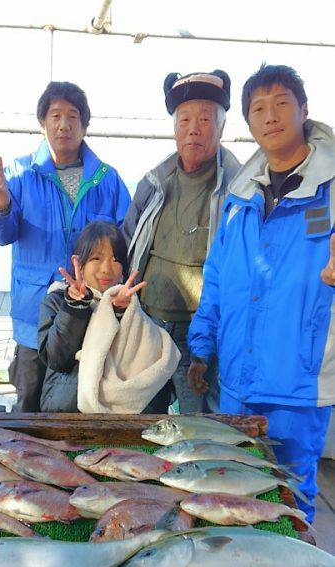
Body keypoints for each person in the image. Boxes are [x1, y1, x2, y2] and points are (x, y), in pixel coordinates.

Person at [188, 64, 335, 521]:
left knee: (291, 494)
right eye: (258, 109)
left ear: (304, 110)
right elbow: (216, 275)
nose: (270, 116)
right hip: (235, 377)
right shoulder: (238, 197)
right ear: (249, 124)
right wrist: (201, 346)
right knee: (234, 488)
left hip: (299, 381)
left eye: (281, 104)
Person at [0, 81, 130, 411]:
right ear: (42, 122)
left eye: (73, 116)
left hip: (90, 315)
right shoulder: (18, 174)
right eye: (55, 115)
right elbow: (1, 233)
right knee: (28, 402)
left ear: (85, 125)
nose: (63, 124)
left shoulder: (109, 179)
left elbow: (125, 243)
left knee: (79, 402)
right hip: (34, 318)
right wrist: (0, 207)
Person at [123, 69, 240, 413]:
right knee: (143, 418)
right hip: (149, 326)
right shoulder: (153, 182)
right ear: (174, 128)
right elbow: (128, 239)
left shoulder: (240, 188)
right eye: (185, 119)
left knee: (197, 422)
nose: (194, 128)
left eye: (205, 119)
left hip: (202, 337)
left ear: (221, 128)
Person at [38, 221, 180, 413]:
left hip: (123, 413)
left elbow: (148, 353)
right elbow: (57, 359)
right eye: (96, 258)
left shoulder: (132, 304)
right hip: (69, 410)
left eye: (115, 259)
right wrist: (76, 306)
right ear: (78, 263)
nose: (106, 268)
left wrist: (122, 313)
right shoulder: (57, 300)